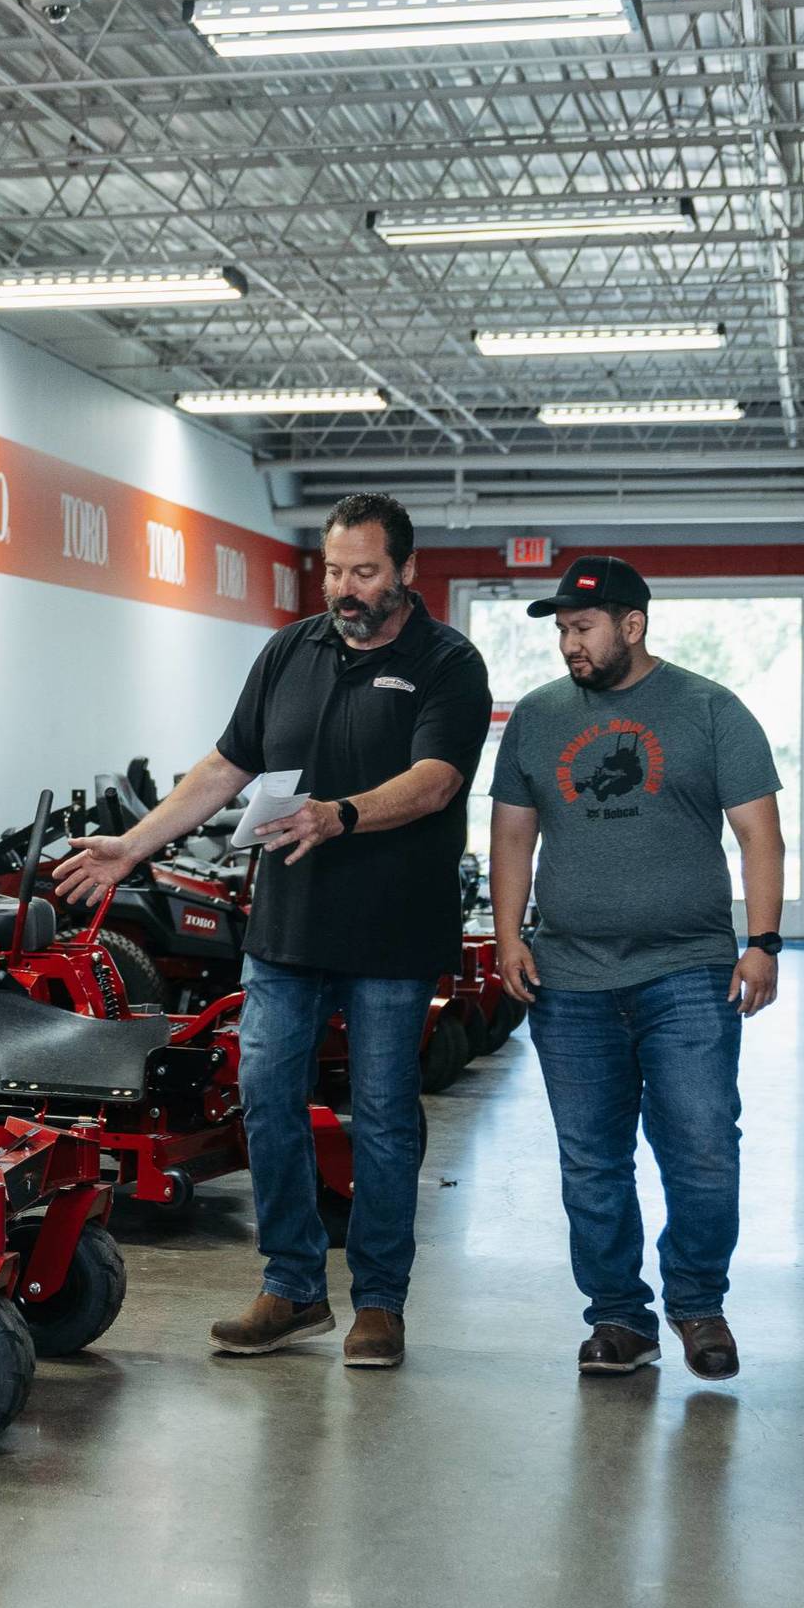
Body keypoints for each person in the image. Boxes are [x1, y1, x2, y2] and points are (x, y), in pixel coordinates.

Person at [55, 492, 491, 1366]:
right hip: (286, 930)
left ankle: (379, 1303)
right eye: (333, 570)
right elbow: (227, 763)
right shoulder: (291, 649)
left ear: (405, 571)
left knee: (382, 1117)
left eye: (365, 571)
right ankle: (292, 1287)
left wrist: (341, 814)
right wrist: (135, 846)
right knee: (264, 1099)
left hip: (393, 937)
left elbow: (437, 780)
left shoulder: (448, 662)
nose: (345, 588)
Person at [485, 555, 785, 1383]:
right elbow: (513, 834)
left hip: (687, 969)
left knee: (701, 1148)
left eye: (581, 629)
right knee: (590, 1159)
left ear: (633, 625)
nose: (568, 645)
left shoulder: (711, 710)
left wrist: (763, 942)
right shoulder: (539, 718)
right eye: (560, 631)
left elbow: (761, 834)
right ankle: (619, 1318)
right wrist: (510, 936)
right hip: (568, 976)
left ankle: (697, 1305)